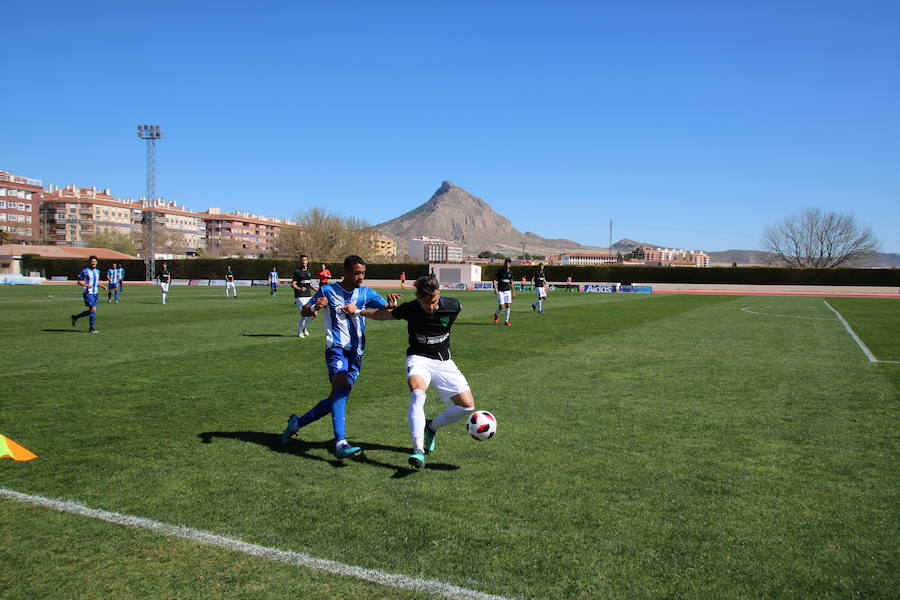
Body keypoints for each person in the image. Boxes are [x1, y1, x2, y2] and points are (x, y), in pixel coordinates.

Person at [280, 255, 400, 459]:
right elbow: (305, 311)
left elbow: (386, 311)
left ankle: (296, 424)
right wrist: (315, 307)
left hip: (357, 352)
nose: (361, 277)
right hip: (336, 348)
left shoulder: (365, 293)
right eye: (356, 273)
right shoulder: (328, 290)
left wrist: (391, 304)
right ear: (345, 271)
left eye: (363, 273)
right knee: (341, 387)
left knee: (336, 397)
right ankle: (341, 442)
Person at [364, 274, 476, 470]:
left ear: (438, 293)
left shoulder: (453, 305)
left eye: (433, 301)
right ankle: (417, 450)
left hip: (443, 361)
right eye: (425, 303)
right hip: (418, 358)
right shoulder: (410, 308)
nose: (431, 307)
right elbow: (381, 314)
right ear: (418, 298)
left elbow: (452, 319)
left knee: (467, 406)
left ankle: (430, 426)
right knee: (417, 394)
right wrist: (356, 311)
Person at [70, 255, 106, 333]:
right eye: (92, 261)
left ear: (97, 262)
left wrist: (102, 286)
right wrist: (86, 285)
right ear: (89, 263)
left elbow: (96, 282)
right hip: (88, 293)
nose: (94, 263)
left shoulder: (98, 271)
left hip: (95, 293)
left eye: (95, 261)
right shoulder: (85, 271)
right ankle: (91, 328)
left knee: (91, 311)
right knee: (93, 309)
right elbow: (79, 281)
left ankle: (75, 317)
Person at [291, 254, 315, 338]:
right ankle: (300, 332)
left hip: (308, 295)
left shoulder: (308, 271)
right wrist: (299, 288)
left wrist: (316, 289)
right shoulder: (297, 272)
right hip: (300, 296)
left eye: (305, 260)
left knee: (314, 314)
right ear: (300, 261)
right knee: (305, 314)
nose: (303, 262)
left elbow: (309, 283)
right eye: (302, 260)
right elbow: (293, 284)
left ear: (307, 261)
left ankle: (304, 327)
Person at [492, 258, 515, 326]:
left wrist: (514, 292)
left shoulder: (510, 272)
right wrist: (495, 289)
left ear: (510, 265)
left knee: (508, 305)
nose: (507, 265)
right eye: (506, 263)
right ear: (504, 264)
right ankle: (496, 315)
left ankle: (506, 321)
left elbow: (511, 282)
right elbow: (495, 280)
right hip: (501, 291)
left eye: (508, 264)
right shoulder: (499, 271)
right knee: (501, 306)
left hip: (508, 291)